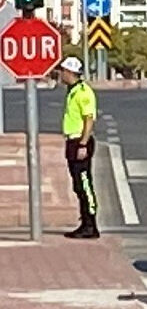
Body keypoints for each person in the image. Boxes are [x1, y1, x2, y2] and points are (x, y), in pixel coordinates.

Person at [57, 56, 99, 239]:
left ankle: (91, 225)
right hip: (72, 141)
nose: (60, 75)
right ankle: (84, 222)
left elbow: (89, 119)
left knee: (84, 184)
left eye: (62, 71)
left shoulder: (83, 92)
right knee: (77, 185)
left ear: (69, 72)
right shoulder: (72, 91)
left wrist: (83, 143)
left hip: (80, 141)